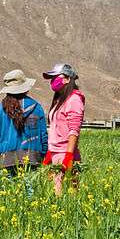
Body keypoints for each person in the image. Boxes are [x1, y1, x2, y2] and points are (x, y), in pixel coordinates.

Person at [0, 70, 48, 176]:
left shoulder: (0, 109)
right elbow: (43, 137)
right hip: (32, 160)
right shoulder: (37, 107)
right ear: (25, 88)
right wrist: (43, 157)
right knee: (29, 192)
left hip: (5, 161)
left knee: (7, 192)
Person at [42, 63, 85, 195]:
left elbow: (74, 130)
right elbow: (55, 128)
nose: (53, 81)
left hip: (65, 153)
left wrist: (68, 156)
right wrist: (50, 152)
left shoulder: (74, 99)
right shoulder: (59, 99)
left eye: (56, 77)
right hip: (55, 153)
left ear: (67, 79)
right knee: (55, 194)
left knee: (64, 195)